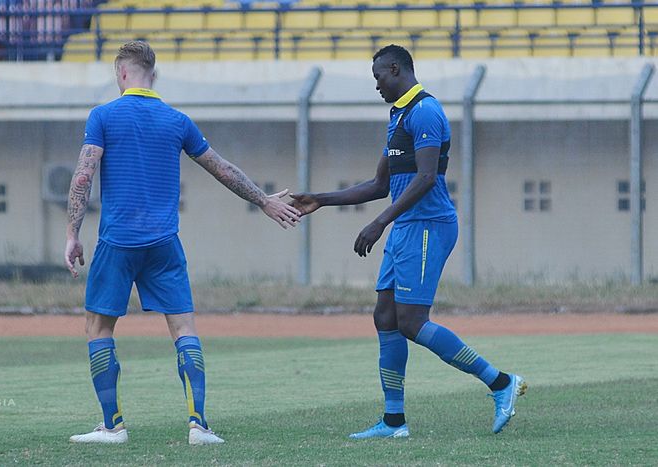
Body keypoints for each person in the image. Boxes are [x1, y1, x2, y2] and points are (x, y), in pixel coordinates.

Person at [65, 41, 301, 445]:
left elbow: (84, 176)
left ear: (122, 74)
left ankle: (113, 425)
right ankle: (199, 426)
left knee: (99, 327)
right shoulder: (177, 121)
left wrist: (72, 234)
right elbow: (222, 168)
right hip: (163, 242)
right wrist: (263, 201)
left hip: (117, 241)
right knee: (184, 328)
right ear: (152, 75)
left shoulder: (103, 115)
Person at [290, 44, 526, 438]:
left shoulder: (426, 111)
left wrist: (379, 223)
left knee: (413, 322)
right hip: (405, 226)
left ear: (395, 69)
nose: (377, 86)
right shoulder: (398, 115)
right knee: (385, 316)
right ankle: (394, 421)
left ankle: (501, 383)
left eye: (379, 78)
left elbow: (426, 178)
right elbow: (381, 184)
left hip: (429, 225)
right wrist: (322, 199)